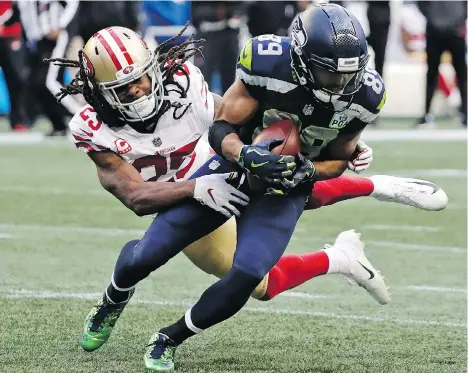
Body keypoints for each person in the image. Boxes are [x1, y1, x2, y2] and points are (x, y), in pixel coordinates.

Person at [46, 7, 447, 371]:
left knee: (254, 272)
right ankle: (114, 300)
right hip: (203, 181)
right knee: (149, 257)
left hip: (241, 175)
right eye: (123, 89)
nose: (137, 92)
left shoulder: (184, 83)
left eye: (142, 79)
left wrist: (309, 159)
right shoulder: (91, 127)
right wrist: (217, 174)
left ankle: (171, 337)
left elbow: (236, 123)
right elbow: (140, 194)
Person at [417, 1, 467, 127]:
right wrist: (432, 17)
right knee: (431, 74)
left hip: (456, 31)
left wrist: (460, 18)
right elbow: (421, 3)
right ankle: (427, 115)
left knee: (462, 74)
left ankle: (465, 114)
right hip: (434, 32)